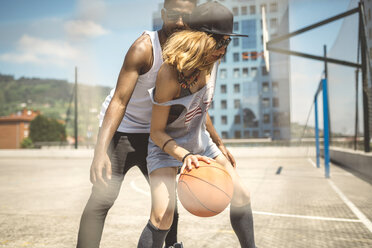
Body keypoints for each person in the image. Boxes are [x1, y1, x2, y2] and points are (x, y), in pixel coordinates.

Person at [76, 0, 236, 247]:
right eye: (174, 15)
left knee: (168, 204)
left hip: (159, 135)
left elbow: (197, 106)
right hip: (125, 131)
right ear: (163, 14)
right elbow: (118, 101)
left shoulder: (194, 52)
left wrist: (217, 141)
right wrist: (100, 152)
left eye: (187, 16)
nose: (180, 22)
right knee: (102, 199)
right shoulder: (144, 48)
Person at [137, 2, 256, 248]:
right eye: (220, 42)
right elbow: (156, 132)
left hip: (200, 143)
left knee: (242, 194)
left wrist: (220, 144)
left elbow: (200, 108)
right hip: (166, 148)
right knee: (162, 215)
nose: (224, 50)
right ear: (200, 39)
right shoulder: (169, 74)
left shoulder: (212, 61)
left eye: (227, 42)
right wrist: (184, 155)